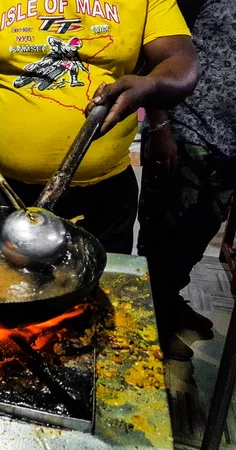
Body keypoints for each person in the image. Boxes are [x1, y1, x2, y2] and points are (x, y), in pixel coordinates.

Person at [0, 0, 200, 255]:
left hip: (104, 197)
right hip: (6, 193)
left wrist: (151, 84)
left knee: (98, 300)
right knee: (6, 298)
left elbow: (181, 61)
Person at [138, 0, 236, 360]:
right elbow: (154, 57)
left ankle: (169, 300)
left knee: (200, 230)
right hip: (184, 135)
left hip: (229, 143)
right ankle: (152, 321)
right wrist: (160, 125)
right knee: (165, 232)